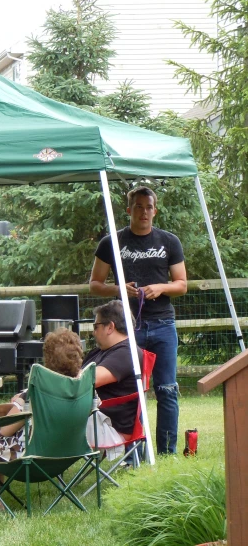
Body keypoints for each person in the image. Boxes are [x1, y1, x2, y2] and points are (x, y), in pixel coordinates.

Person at [89, 185, 186, 454]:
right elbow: (95, 284)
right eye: (139, 207)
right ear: (129, 210)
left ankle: (167, 452)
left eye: (149, 207)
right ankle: (136, 452)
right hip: (127, 328)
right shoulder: (111, 242)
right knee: (134, 392)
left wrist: (161, 288)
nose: (144, 212)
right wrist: (119, 288)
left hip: (163, 324)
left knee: (166, 389)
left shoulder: (169, 241)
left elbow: (181, 284)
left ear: (155, 210)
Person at [0, 328, 83, 510]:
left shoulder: (36, 392)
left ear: (48, 359)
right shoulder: (82, 389)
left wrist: (19, 403)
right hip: (63, 457)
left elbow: (5, 431)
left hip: (26, 459)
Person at [85, 300, 143, 457]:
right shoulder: (99, 352)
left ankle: (14, 453)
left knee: (37, 408)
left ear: (110, 327)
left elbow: (87, 380)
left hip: (107, 428)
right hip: (90, 418)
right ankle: (12, 451)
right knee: (24, 403)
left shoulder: (127, 352)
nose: (93, 332)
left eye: (96, 326)